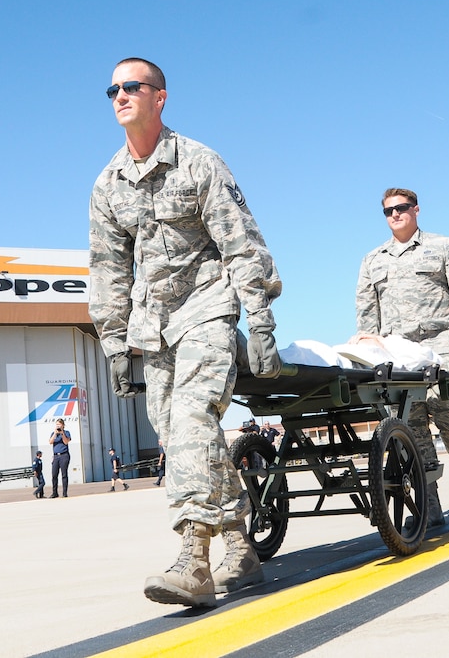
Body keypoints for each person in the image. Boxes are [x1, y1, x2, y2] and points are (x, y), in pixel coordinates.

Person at [89, 57, 283, 608]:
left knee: (196, 417)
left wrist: (261, 322)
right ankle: (242, 548)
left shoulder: (199, 163)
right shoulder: (107, 184)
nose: (119, 95)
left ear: (160, 97)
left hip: (207, 309)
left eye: (131, 86)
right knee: (181, 438)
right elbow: (107, 272)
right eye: (112, 89)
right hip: (153, 330)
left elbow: (243, 245)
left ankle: (193, 557)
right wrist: (113, 344)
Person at [355, 187, 449, 521]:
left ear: (416, 210)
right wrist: (367, 355)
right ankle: (428, 496)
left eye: (401, 208)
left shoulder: (443, 247)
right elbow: (366, 316)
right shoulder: (373, 260)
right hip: (397, 354)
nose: (395, 215)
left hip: (442, 346)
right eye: (388, 211)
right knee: (410, 429)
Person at [48, 419, 71, 498]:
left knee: (64, 474)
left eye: (59, 424)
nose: (58, 426)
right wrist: (55, 434)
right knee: (54, 474)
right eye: (57, 424)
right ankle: (54, 492)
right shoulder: (53, 433)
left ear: (63, 425)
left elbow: (66, 442)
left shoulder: (66, 433)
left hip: (64, 455)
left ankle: (64, 493)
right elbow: (50, 442)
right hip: (56, 456)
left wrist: (62, 433)